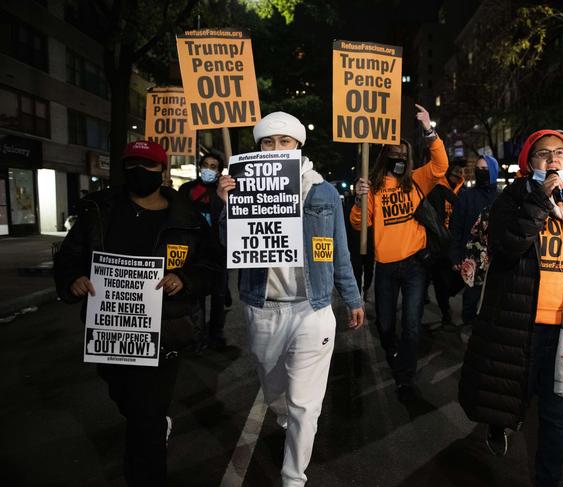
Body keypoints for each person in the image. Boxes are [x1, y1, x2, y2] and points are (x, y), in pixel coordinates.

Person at [54, 140, 218, 485]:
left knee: (145, 418)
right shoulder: (98, 210)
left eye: (147, 166)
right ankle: (156, 425)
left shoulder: (187, 219)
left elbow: (212, 265)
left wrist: (183, 279)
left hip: (165, 332)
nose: (139, 172)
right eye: (132, 165)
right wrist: (74, 279)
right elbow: (69, 256)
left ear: (163, 170)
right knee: (127, 400)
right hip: (110, 334)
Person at [217, 111, 364, 487]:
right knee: (273, 386)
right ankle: (282, 411)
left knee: (305, 404)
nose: (276, 148)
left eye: (285, 142)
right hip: (263, 307)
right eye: (268, 142)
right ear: (259, 148)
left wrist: (352, 297)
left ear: (298, 146)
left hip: (311, 308)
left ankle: (293, 477)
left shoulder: (323, 191)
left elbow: (338, 251)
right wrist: (226, 205)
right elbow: (225, 243)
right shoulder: (242, 187)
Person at [458, 130, 563, 487]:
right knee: (509, 396)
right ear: (530, 162)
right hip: (520, 322)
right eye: (543, 153)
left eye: (559, 152)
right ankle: (499, 423)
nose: (553, 158)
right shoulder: (510, 200)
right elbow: (509, 246)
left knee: (558, 416)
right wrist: (539, 201)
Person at [351, 104, 449, 400]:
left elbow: (441, 165)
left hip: (415, 265)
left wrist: (429, 130)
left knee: (412, 324)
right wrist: (359, 200)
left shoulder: (417, 180)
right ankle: (393, 353)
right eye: (394, 155)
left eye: (404, 156)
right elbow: (360, 225)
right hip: (385, 268)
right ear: (384, 157)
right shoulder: (375, 188)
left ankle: (404, 378)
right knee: (384, 324)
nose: (399, 159)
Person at [179, 150, 231, 350]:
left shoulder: (223, 192)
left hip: (219, 252)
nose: (208, 170)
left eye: (213, 167)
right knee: (196, 297)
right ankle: (198, 337)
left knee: (218, 296)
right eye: (205, 165)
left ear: (219, 171)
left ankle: (216, 335)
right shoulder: (187, 189)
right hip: (195, 253)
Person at [449, 154, 499, 324]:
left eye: (485, 169)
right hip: (471, 259)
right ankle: (468, 328)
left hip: (495, 259)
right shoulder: (466, 197)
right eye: (478, 169)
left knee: (492, 300)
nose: (481, 172)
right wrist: (455, 256)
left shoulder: (502, 198)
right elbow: (455, 228)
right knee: (470, 299)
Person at [427, 162, 465, 325]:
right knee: (440, 280)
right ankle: (445, 312)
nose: (458, 177)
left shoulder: (462, 192)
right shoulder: (436, 190)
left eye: (461, 174)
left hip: (455, 243)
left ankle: (444, 298)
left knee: (460, 278)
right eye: (455, 173)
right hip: (440, 244)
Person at [343, 189, 375, 301]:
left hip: (369, 243)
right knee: (356, 271)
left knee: (369, 269)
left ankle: (366, 288)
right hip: (354, 244)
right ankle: (357, 295)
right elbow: (346, 223)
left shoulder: (372, 201)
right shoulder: (351, 202)